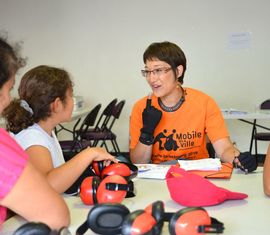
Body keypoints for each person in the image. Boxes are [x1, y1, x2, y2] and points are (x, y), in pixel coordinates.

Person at [129, 41, 257, 173]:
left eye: (158, 70)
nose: (151, 78)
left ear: (178, 71)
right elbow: (138, 162)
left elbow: (224, 149)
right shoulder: (141, 107)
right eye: (148, 71)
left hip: (198, 174)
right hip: (161, 176)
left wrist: (238, 159)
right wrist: (147, 133)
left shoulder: (204, 102)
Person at [3, 65, 117, 194]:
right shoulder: (32, 137)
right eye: (70, 97)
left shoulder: (44, 131)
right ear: (57, 105)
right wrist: (89, 153)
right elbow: (47, 185)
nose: (73, 102)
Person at [0, 35, 70, 229]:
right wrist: (89, 154)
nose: (8, 100)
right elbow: (56, 217)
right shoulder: (8, 145)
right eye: (8, 89)